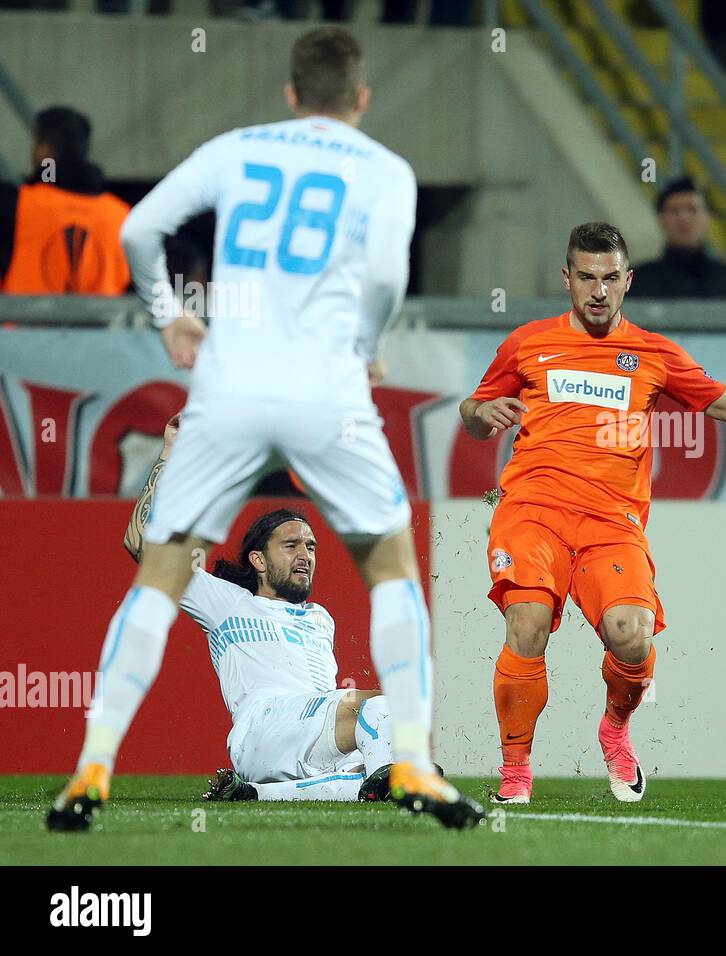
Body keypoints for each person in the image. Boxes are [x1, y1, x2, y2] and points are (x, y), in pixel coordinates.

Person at [47, 27, 482, 832]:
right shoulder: (385, 170)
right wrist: (369, 344)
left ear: (289, 93)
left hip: (237, 378)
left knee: (157, 582)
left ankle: (93, 766)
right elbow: (387, 276)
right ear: (361, 99)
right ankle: (412, 764)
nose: (306, 556)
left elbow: (138, 230)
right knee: (393, 570)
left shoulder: (238, 148)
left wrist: (171, 315)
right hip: (322, 383)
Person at [459, 221, 726, 805]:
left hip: (612, 524)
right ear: (567, 279)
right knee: (527, 624)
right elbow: (474, 408)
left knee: (630, 638)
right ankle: (515, 771)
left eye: (610, 278)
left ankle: (614, 728)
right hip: (532, 510)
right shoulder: (528, 342)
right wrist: (482, 415)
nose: (599, 291)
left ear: (629, 280)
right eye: (586, 277)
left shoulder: (654, 354)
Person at [120, 413, 439, 804]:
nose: (305, 555)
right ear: (258, 559)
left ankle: (255, 794)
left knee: (373, 757)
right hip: (262, 728)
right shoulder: (224, 603)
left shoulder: (321, 619)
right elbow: (142, 543)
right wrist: (170, 453)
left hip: (310, 736)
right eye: (291, 545)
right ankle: (404, 778)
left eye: (310, 546)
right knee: (378, 708)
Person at [0, 106, 131, 295]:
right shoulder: (121, 215)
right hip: (101, 323)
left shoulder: (17, 204)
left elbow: (48, 177)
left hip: (23, 323)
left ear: (43, 149)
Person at [631, 178, 726, 300]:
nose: (684, 219)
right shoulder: (634, 283)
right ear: (661, 220)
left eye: (692, 210)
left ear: (708, 218)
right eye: (674, 211)